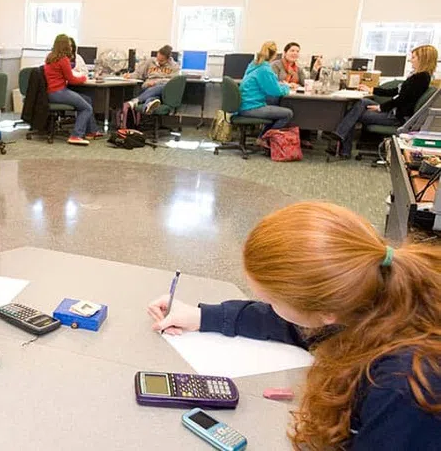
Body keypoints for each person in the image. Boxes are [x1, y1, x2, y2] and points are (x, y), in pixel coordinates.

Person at [148, 201, 441, 449]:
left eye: (273, 301)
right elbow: (289, 323)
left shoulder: (405, 389)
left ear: (326, 312)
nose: (271, 308)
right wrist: (202, 317)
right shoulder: (374, 292)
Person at [329, 45, 438, 158]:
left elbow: (402, 100)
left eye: (414, 57)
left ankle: (344, 147)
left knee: (352, 114)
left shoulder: (420, 79)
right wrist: (372, 89)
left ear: (423, 59)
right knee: (362, 102)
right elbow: (396, 91)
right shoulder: (416, 76)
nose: (411, 60)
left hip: (397, 117)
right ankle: (341, 137)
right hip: (393, 110)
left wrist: (381, 108)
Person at [44, 34, 102, 146]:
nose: (71, 48)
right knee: (87, 108)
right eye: (69, 45)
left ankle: (91, 131)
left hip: (50, 92)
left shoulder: (50, 57)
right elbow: (71, 80)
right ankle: (76, 135)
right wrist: (84, 78)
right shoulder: (63, 59)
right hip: (59, 92)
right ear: (65, 46)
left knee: (86, 99)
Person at [237, 41, 293, 132]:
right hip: (251, 107)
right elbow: (276, 92)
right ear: (274, 55)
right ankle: (264, 138)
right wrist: (287, 87)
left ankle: (262, 137)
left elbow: (267, 86)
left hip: (244, 105)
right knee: (288, 113)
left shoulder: (254, 65)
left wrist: (279, 85)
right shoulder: (265, 70)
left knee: (273, 104)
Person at [123, 45, 180, 114]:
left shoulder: (174, 66)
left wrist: (156, 82)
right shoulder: (150, 61)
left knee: (156, 97)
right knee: (155, 97)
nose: (158, 62)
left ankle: (138, 101)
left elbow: (173, 81)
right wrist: (130, 76)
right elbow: (139, 73)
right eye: (157, 58)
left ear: (168, 59)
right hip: (148, 87)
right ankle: (145, 104)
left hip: (163, 90)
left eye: (161, 61)